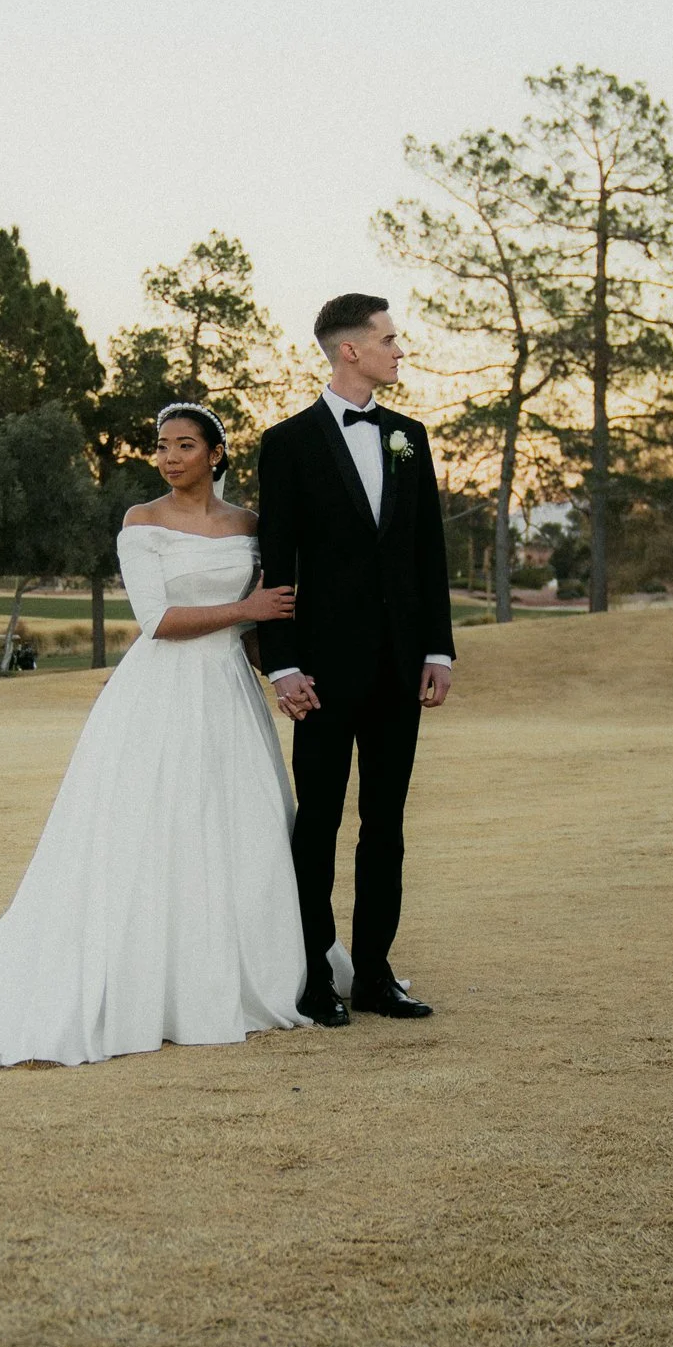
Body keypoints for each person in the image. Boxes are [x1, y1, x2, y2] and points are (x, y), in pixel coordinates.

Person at [0, 404, 308, 1068]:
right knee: (151, 826)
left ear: (217, 454)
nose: (170, 457)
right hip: (160, 693)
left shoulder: (249, 527)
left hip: (229, 697)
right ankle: (148, 979)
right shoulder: (142, 522)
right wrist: (245, 607)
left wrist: (281, 674)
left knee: (237, 824)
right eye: (161, 446)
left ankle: (238, 972)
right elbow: (157, 618)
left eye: (185, 445)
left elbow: (252, 629)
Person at [257, 294, 455, 1027]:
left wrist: (437, 648)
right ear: (350, 351)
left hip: (401, 669)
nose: (400, 350)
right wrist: (281, 666)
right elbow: (275, 561)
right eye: (389, 339)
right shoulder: (287, 443)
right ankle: (314, 976)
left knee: (386, 823)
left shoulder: (410, 436)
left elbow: (426, 553)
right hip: (320, 672)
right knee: (318, 823)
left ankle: (374, 976)